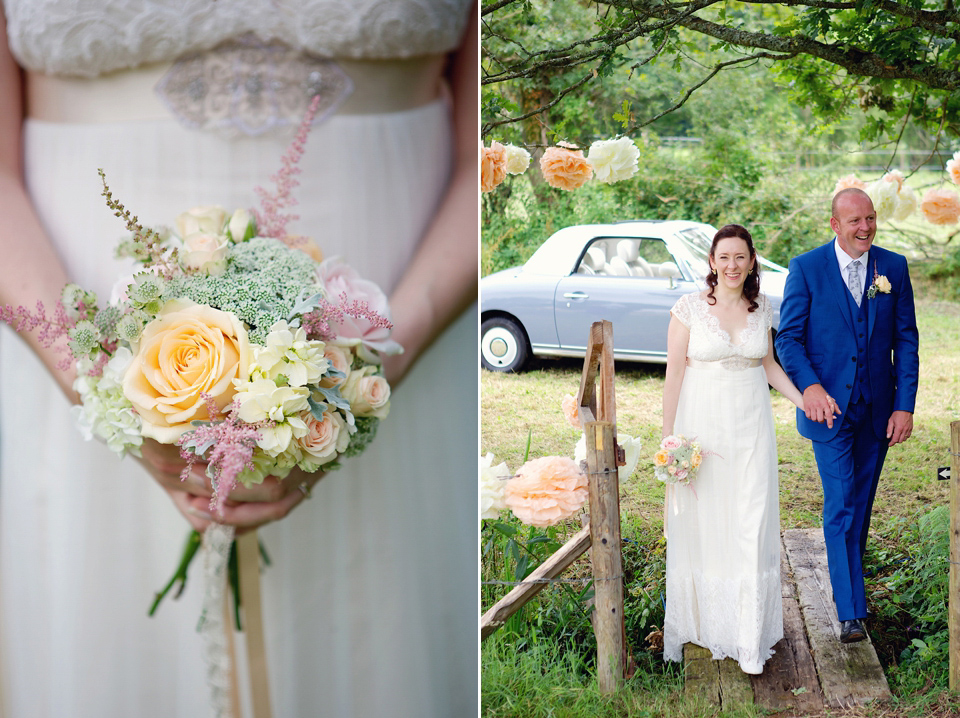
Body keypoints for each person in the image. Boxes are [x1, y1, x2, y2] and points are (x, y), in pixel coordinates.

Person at [0, 2, 478, 716]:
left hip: (406, 320)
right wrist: (106, 391)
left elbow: (483, 155)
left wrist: (366, 366)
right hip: (71, 315)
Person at [775, 187, 919, 644]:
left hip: (878, 411)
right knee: (840, 504)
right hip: (827, 412)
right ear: (834, 225)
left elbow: (907, 341)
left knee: (861, 505)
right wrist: (811, 387)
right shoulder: (806, 268)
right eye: (855, 221)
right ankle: (851, 612)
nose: (865, 228)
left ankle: (850, 591)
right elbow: (788, 340)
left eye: (871, 219)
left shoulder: (892, 267)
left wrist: (904, 405)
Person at [661, 224, 805, 675]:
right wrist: (669, 441)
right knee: (708, 520)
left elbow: (768, 367)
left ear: (751, 260)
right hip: (701, 428)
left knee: (752, 517)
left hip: (751, 428)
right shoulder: (687, 309)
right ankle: (706, 623)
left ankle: (748, 636)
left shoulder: (762, 307)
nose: (731, 265)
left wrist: (805, 401)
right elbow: (674, 375)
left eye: (740, 256)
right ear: (711, 261)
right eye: (723, 257)